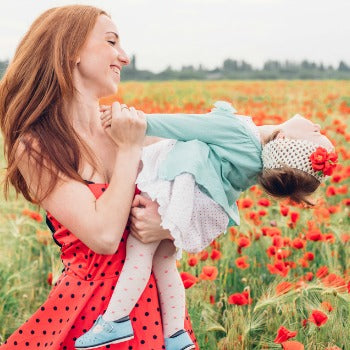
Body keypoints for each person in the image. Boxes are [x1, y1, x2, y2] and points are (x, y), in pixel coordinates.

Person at [0, 5, 199, 350]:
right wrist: (129, 150)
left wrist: (170, 224)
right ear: (71, 50)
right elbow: (105, 236)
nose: (124, 57)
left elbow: (209, 175)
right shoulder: (35, 147)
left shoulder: (128, 126)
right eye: (111, 42)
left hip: (160, 318)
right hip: (89, 315)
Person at [75, 101, 337, 349]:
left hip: (174, 189)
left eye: (317, 134)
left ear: (283, 141)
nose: (318, 126)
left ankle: (116, 319)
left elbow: (185, 125)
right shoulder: (257, 163)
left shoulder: (237, 132)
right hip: (192, 208)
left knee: (139, 250)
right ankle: (176, 334)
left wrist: (134, 122)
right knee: (165, 263)